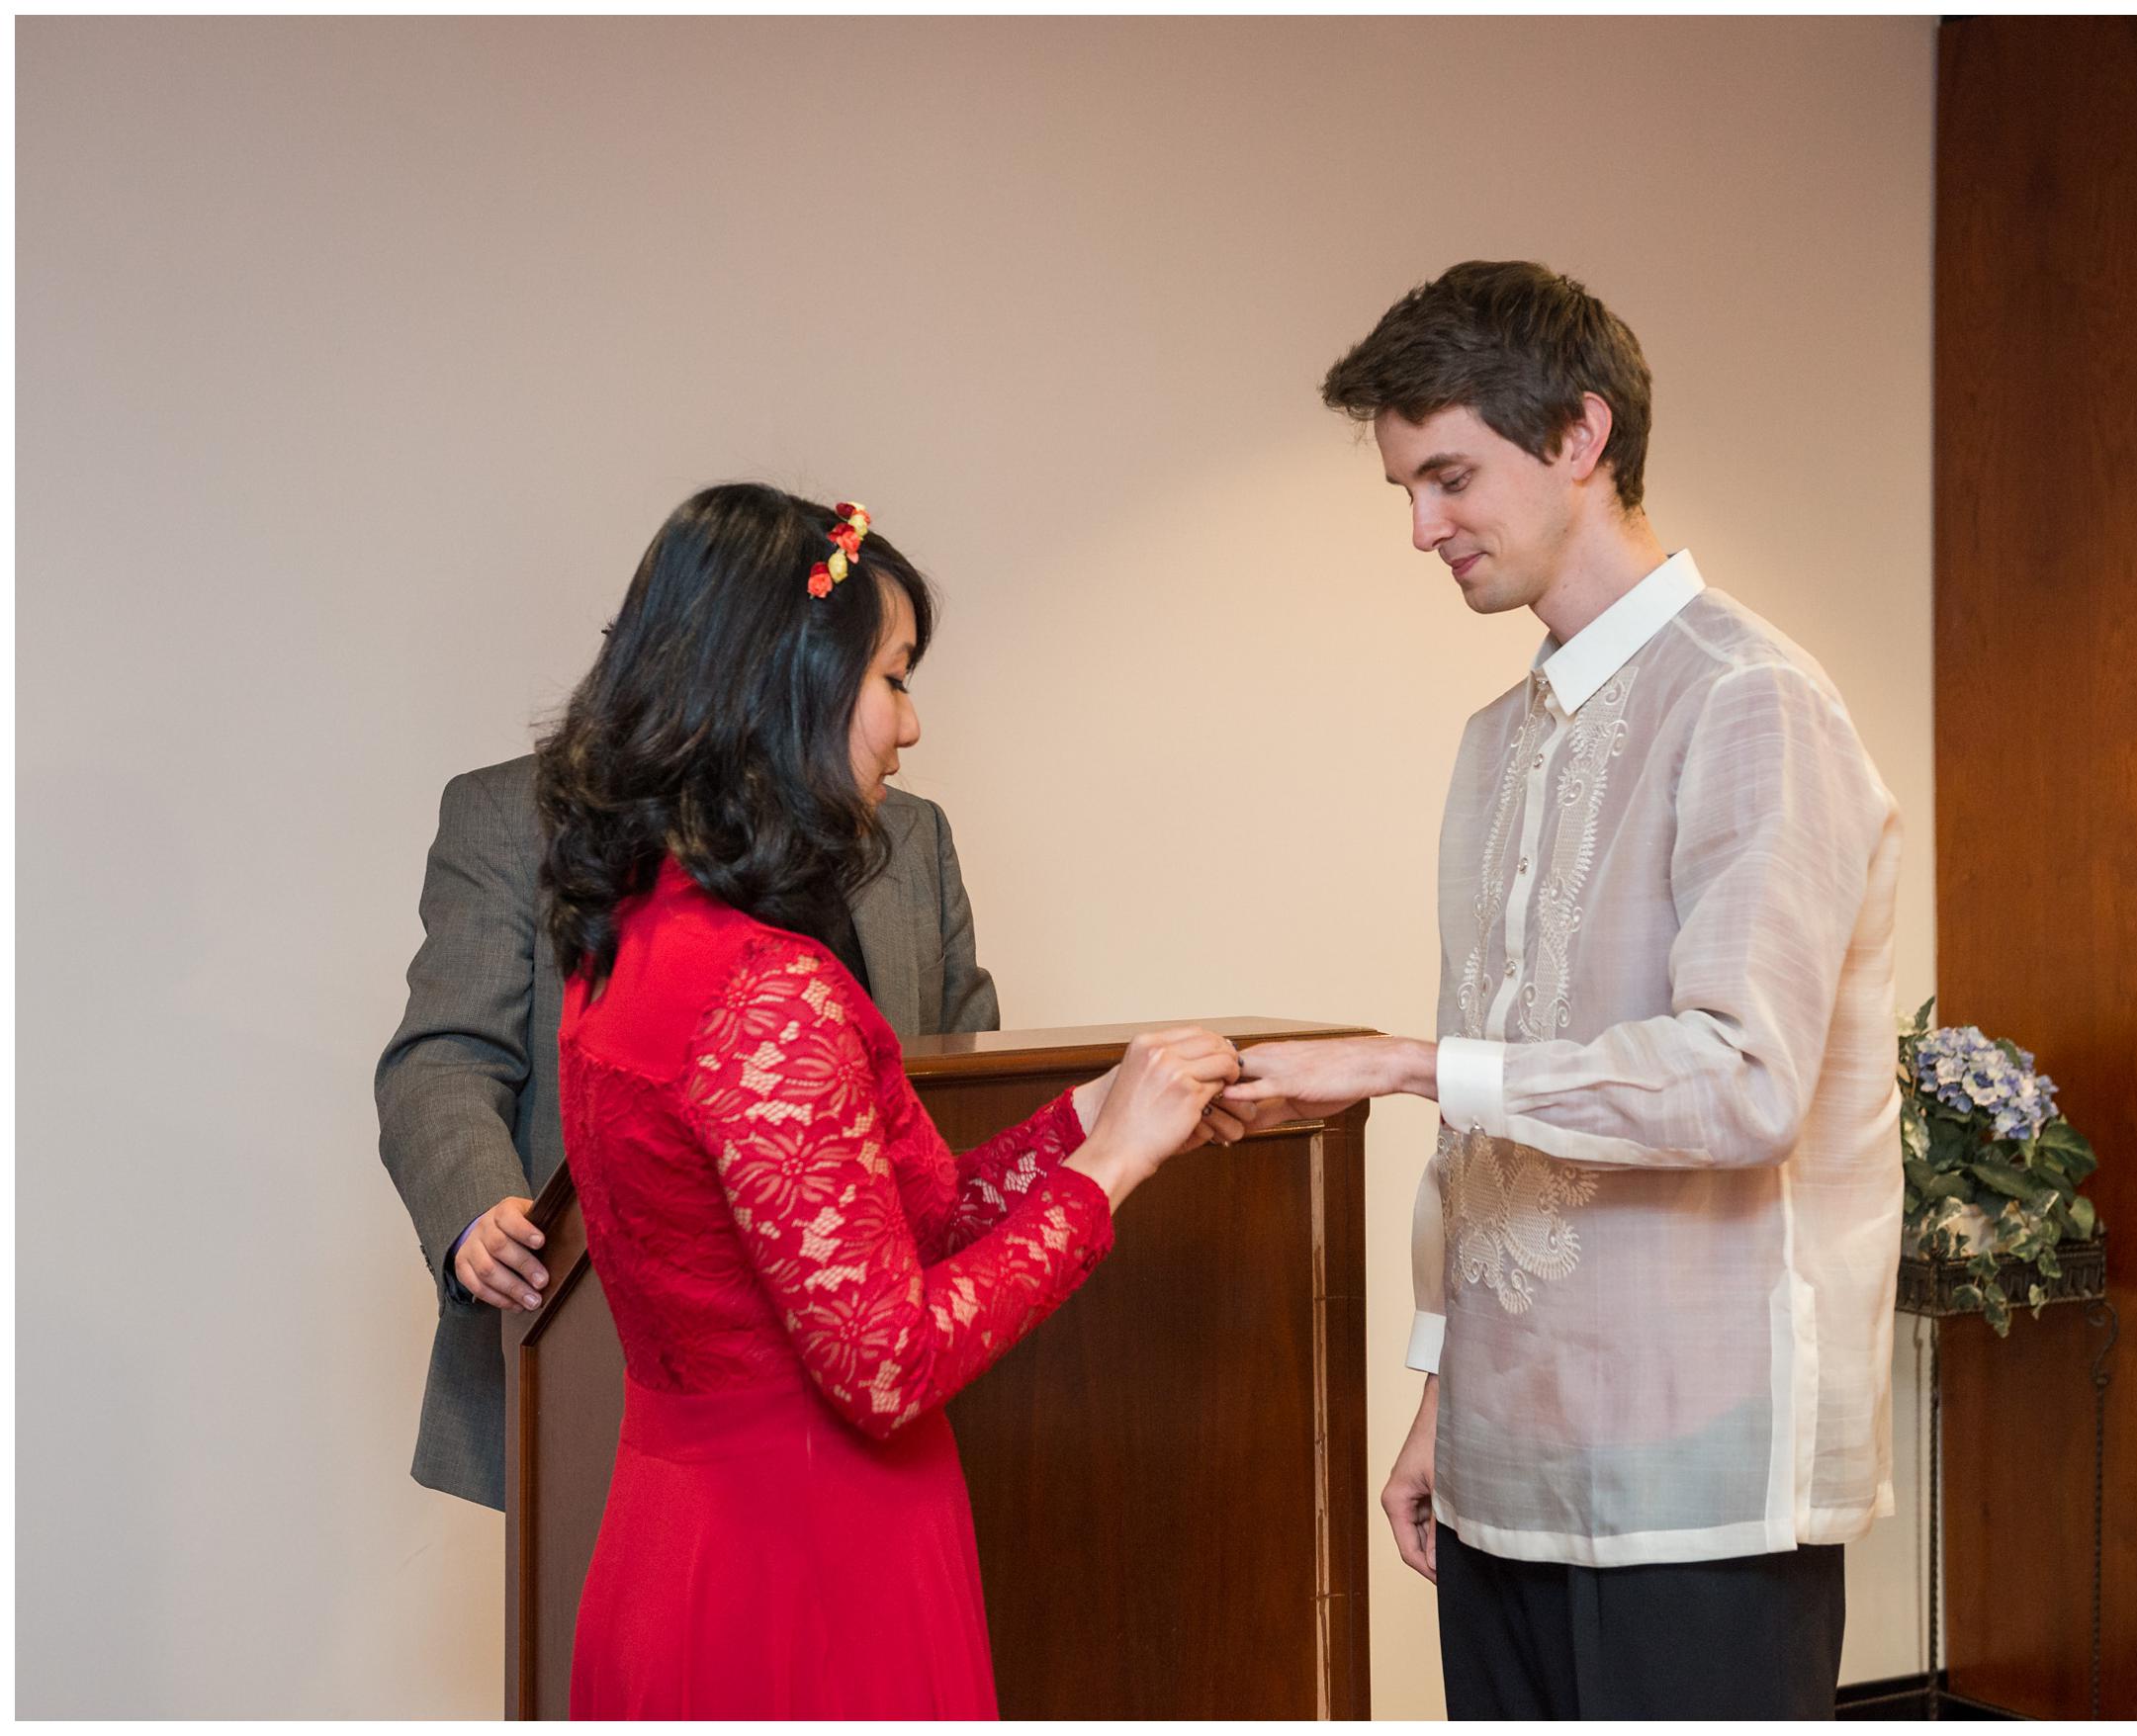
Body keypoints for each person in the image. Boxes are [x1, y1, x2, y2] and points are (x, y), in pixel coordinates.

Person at [1223, 261, 1903, 1719]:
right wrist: (1437, 1399)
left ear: (1581, 438)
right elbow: (1501, 1137)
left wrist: (1408, 1062)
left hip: (1691, 1472)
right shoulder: (1495, 739)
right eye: (1407, 488)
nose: (1422, 529)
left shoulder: (1751, 701)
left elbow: (1742, 1081)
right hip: (1501, 1460)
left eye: (1451, 477)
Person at [540, 482, 1244, 1718]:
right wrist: (1111, 1171)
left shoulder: (631, 940)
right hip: (810, 1560)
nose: (908, 727)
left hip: (676, 1537)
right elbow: (885, 1362)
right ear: (790, 690)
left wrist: (1098, 1112)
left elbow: (884, 1227)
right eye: (895, 678)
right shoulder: (766, 993)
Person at [378, 679, 999, 1516]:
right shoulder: (509, 816)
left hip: (875, 1366)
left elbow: (969, 1071)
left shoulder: (911, 832)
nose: (911, 721)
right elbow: (443, 1059)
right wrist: (477, 1210)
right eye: (890, 675)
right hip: (611, 1357)